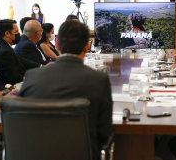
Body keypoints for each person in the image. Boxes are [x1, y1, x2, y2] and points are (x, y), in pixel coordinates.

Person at [18, 20, 113, 160]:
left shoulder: (32, 77)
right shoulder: (99, 80)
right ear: (87, 45)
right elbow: (105, 133)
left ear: (57, 45)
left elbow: (20, 123)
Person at [0, 19, 40, 85]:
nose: (19, 34)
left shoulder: (4, 46)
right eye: (16, 32)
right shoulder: (4, 52)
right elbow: (15, 78)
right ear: (7, 33)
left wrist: (41, 66)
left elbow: (20, 60)